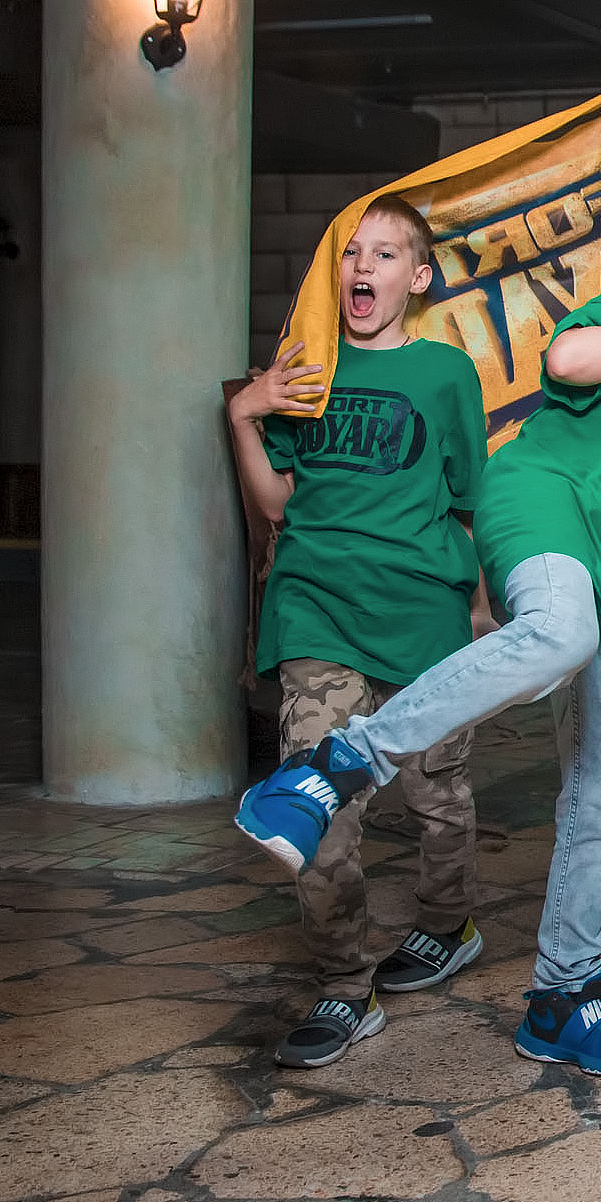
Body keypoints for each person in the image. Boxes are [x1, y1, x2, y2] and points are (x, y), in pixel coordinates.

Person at [236, 184, 601, 1077]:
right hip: (546, 506)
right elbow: (567, 356)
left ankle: (562, 995)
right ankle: (342, 761)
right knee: (559, 630)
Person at [226, 195, 489, 1068]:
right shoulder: (305, 368)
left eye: (384, 253)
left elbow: (472, 501)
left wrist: (483, 609)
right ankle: (345, 985)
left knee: (438, 796)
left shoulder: (446, 373)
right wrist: (246, 414)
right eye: (350, 253)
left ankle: (448, 925)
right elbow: (276, 503)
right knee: (320, 809)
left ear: (418, 277)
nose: (362, 267)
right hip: (318, 610)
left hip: (424, 615)